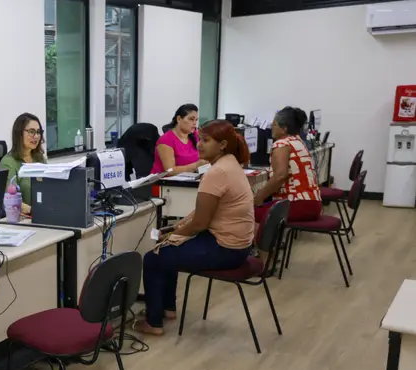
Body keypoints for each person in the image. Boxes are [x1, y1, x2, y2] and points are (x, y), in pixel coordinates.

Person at [134, 120, 254, 336]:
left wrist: (172, 235)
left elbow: (200, 223)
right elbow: (200, 214)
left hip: (226, 249)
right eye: (200, 139)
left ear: (223, 145)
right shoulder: (231, 164)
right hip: (238, 246)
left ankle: (154, 322)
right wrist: (177, 229)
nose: (199, 144)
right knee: (168, 249)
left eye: (206, 140)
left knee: (153, 258)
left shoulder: (217, 173)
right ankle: (167, 308)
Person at [253, 107, 323, 245]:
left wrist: (259, 197)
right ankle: (271, 247)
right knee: (264, 206)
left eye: (274, 125)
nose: (271, 127)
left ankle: (262, 253)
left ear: (284, 128)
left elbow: (280, 176)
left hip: (297, 204)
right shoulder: (298, 141)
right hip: (313, 203)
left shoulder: (282, 144)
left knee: (252, 213)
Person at [0, 112, 47, 215]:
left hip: (44, 214)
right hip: (23, 218)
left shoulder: (40, 159)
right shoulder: (9, 162)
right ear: (19, 134)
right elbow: (11, 200)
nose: (36, 136)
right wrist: (35, 211)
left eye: (38, 132)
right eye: (31, 132)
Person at [151, 104, 208, 176]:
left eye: (196, 120)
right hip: (166, 181)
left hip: (191, 177)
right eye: (191, 119)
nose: (194, 123)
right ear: (179, 119)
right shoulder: (165, 140)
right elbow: (170, 171)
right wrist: (196, 165)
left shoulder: (195, 135)